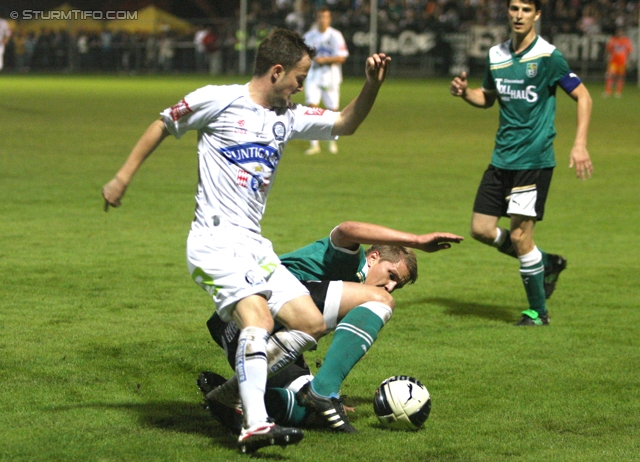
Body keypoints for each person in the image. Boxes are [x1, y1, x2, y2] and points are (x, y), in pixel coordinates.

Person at [102, 28, 391, 453]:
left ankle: (231, 394)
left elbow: (345, 123)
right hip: (215, 240)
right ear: (276, 71)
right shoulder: (217, 99)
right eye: (298, 77)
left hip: (254, 244)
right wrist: (122, 177)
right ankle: (255, 424)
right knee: (259, 319)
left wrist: (371, 86)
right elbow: (163, 124)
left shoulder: (287, 117)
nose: (301, 86)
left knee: (308, 322)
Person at [198, 221, 463, 434]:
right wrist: (416, 240)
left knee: (309, 411)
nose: (391, 285)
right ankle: (324, 390)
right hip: (260, 304)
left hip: (245, 336)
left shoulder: (353, 290)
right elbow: (347, 229)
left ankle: (231, 395)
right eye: (392, 275)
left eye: (398, 284)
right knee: (382, 302)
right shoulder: (350, 261)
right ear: (373, 257)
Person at [449, 0, 593, 326]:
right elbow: (487, 97)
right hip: (502, 158)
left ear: (537, 15)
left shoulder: (548, 56)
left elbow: (583, 95)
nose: (518, 15)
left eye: (526, 10)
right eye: (514, 8)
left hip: (534, 159)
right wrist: (464, 92)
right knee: (481, 229)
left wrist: (580, 144)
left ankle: (538, 313)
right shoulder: (496, 55)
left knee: (518, 237)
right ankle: (546, 262)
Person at [303, 7, 349, 155]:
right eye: (320, 17)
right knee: (311, 109)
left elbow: (342, 57)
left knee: (332, 111)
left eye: (325, 17)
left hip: (331, 77)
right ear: (316, 19)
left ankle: (331, 142)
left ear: (329, 19)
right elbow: (302, 57)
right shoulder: (309, 36)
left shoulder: (335, 36)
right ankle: (314, 144)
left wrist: (325, 60)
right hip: (313, 76)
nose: (322, 20)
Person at [603, 27, 633, 98]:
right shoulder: (613, 40)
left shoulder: (626, 41)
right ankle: (608, 91)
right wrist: (607, 57)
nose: (619, 33)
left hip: (622, 62)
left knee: (620, 77)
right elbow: (608, 50)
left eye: (621, 32)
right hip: (613, 62)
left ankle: (618, 92)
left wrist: (628, 61)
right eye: (618, 32)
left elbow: (629, 52)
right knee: (610, 75)